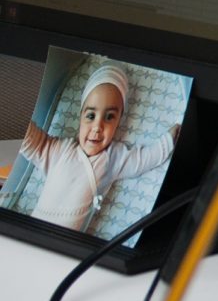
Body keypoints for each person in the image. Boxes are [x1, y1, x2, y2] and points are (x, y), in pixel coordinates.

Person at [18, 62, 181, 237]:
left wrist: (168, 140)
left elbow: (144, 159)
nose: (98, 126)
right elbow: (29, 139)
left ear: (119, 122)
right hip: (30, 233)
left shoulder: (112, 158)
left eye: (109, 117)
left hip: (65, 243)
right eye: (91, 116)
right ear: (80, 116)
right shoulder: (59, 150)